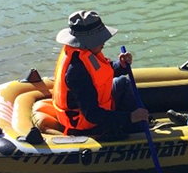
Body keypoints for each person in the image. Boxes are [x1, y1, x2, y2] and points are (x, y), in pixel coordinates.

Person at [33, 10, 148, 138]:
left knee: (123, 82)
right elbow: (92, 114)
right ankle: (140, 130)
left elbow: (102, 72)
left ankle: (143, 122)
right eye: (100, 39)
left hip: (96, 108)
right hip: (87, 125)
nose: (103, 43)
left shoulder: (86, 52)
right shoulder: (77, 71)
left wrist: (120, 66)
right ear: (88, 42)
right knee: (129, 122)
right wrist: (130, 117)